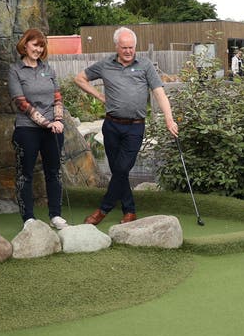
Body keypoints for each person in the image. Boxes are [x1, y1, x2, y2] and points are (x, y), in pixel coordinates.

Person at [74, 27, 178, 225]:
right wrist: (99, 96)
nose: (128, 51)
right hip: (112, 126)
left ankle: (103, 210)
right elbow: (79, 78)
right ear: (117, 47)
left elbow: (159, 93)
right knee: (119, 172)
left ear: (135, 46)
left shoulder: (145, 65)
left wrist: (169, 119)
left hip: (135, 128)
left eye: (131, 47)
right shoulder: (105, 65)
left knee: (121, 169)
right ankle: (129, 211)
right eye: (124, 47)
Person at [8, 28, 69, 230]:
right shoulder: (15, 70)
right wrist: (46, 122)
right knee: (25, 174)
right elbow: (21, 103)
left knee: (53, 173)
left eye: (41, 45)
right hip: (27, 130)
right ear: (25, 45)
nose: (38, 49)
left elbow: (57, 98)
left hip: (53, 129)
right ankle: (28, 219)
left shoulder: (48, 69)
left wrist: (58, 120)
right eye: (35, 44)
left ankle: (56, 216)